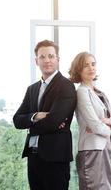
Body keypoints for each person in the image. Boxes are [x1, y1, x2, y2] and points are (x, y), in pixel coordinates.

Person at [13, 39, 77, 190]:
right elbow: (17, 120)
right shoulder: (32, 89)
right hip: (33, 157)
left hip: (55, 158)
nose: (47, 60)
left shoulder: (66, 86)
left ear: (57, 59)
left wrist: (30, 125)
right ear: (36, 61)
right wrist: (36, 116)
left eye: (51, 56)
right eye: (42, 57)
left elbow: (53, 122)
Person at [69, 51, 111, 190]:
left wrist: (108, 122)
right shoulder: (81, 92)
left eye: (93, 64)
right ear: (78, 69)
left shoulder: (100, 93)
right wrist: (107, 125)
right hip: (91, 150)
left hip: (104, 147)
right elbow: (95, 125)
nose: (91, 68)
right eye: (86, 65)